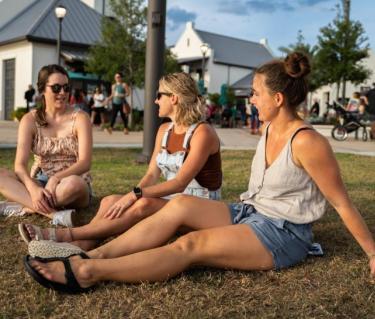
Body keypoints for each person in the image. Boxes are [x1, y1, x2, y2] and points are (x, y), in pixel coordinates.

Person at [24, 53, 375, 294]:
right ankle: (89, 253)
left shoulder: (308, 142)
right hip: (249, 212)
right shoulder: (267, 129)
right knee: (178, 208)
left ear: (278, 98)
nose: (250, 100)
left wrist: (373, 254)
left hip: (282, 233)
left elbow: (342, 204)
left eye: (255, 94)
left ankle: (86, 272)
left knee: (189, 245)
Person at [20, 72, 222, 251]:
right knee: (109, 201)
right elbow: (152, 174)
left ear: (175, 98)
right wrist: (130, 196)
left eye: (159, 95)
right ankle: (83, 246)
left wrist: (134, 195)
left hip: (200, 208)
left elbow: (180, 183)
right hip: (176, 201)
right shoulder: (164, 130)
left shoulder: (202, 133)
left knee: (142, 204)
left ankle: (68, 235)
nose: (155, 101)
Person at [0, 65, 93, 226]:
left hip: (72, 182)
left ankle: (24, 205)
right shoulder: (29, 120)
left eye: (66, 87)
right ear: (42, 89)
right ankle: (55, 215)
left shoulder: (80, 118)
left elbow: (85, 162)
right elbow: (19, 165)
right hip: (41, 181)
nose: (63, 93)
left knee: (73, 185)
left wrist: (56, 178)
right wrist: (33, 188)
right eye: (56, 88)